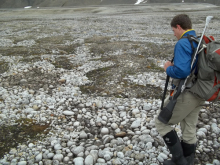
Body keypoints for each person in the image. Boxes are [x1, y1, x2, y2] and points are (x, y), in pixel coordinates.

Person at [155, 14, 205, 165]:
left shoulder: (183, 43)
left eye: (173, 31)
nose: (174, 34)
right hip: (200, 92)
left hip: (187, 93)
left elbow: (182, 72)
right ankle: (188, 160)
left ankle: (179, 160)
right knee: (188, 126)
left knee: (161, 123)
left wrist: (168, 69)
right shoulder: (199, 41)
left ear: (178, 27)